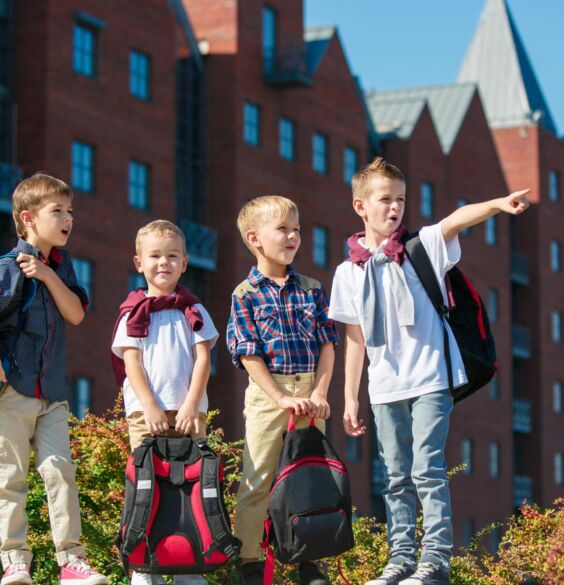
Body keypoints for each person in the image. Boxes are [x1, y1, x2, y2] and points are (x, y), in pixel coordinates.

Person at [328, 157, 529, 585]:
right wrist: (349, 397)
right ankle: (400, 559)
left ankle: (435, 560)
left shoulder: (422, 246)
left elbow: (456, 218)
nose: (394, 208)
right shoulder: (348, 273)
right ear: (360, 206)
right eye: (385, 200)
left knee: (427, 469)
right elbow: (354, 340)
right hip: (383, 388)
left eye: (400, 199)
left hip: (430, 380)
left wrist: (497, 204)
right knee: (395, 476)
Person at [0, 173, 109, 585]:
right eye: (57, 211)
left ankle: (71, 563)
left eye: (71, 212)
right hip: (13, 391)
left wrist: (46, 276)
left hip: (53, 392)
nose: (68, 219)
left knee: (60, 470)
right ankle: (14, 562)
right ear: (28, 218)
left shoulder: (63, 268)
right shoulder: (8, 269)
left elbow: (76, 314)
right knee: (9, 478)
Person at [226, 196, 337, 585]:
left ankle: (311, 560)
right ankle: (250, 561)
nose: (293, 236)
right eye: (283, 229)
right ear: (254, 238)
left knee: (308, 476)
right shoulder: (244, 295)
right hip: (268, 394)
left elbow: (327, 344)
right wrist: (280, 397)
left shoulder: (311, 289)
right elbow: (248, 355)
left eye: (297, 229)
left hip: (309, 392)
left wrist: (321, 392)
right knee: (256, 479)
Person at [111, 220, 218, 585]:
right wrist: (151, 407)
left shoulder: (194, 311)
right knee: (147, 487)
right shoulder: (132, 313)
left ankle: (189, 566)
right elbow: (132, 363)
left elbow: (203, 360)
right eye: (155, 256)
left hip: (190, 414)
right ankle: (144, 568)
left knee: (190, 489)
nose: (164, 263)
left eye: (172, 256)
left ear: (185, 262)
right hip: (146, 415)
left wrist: (190, 405)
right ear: (139, 262)